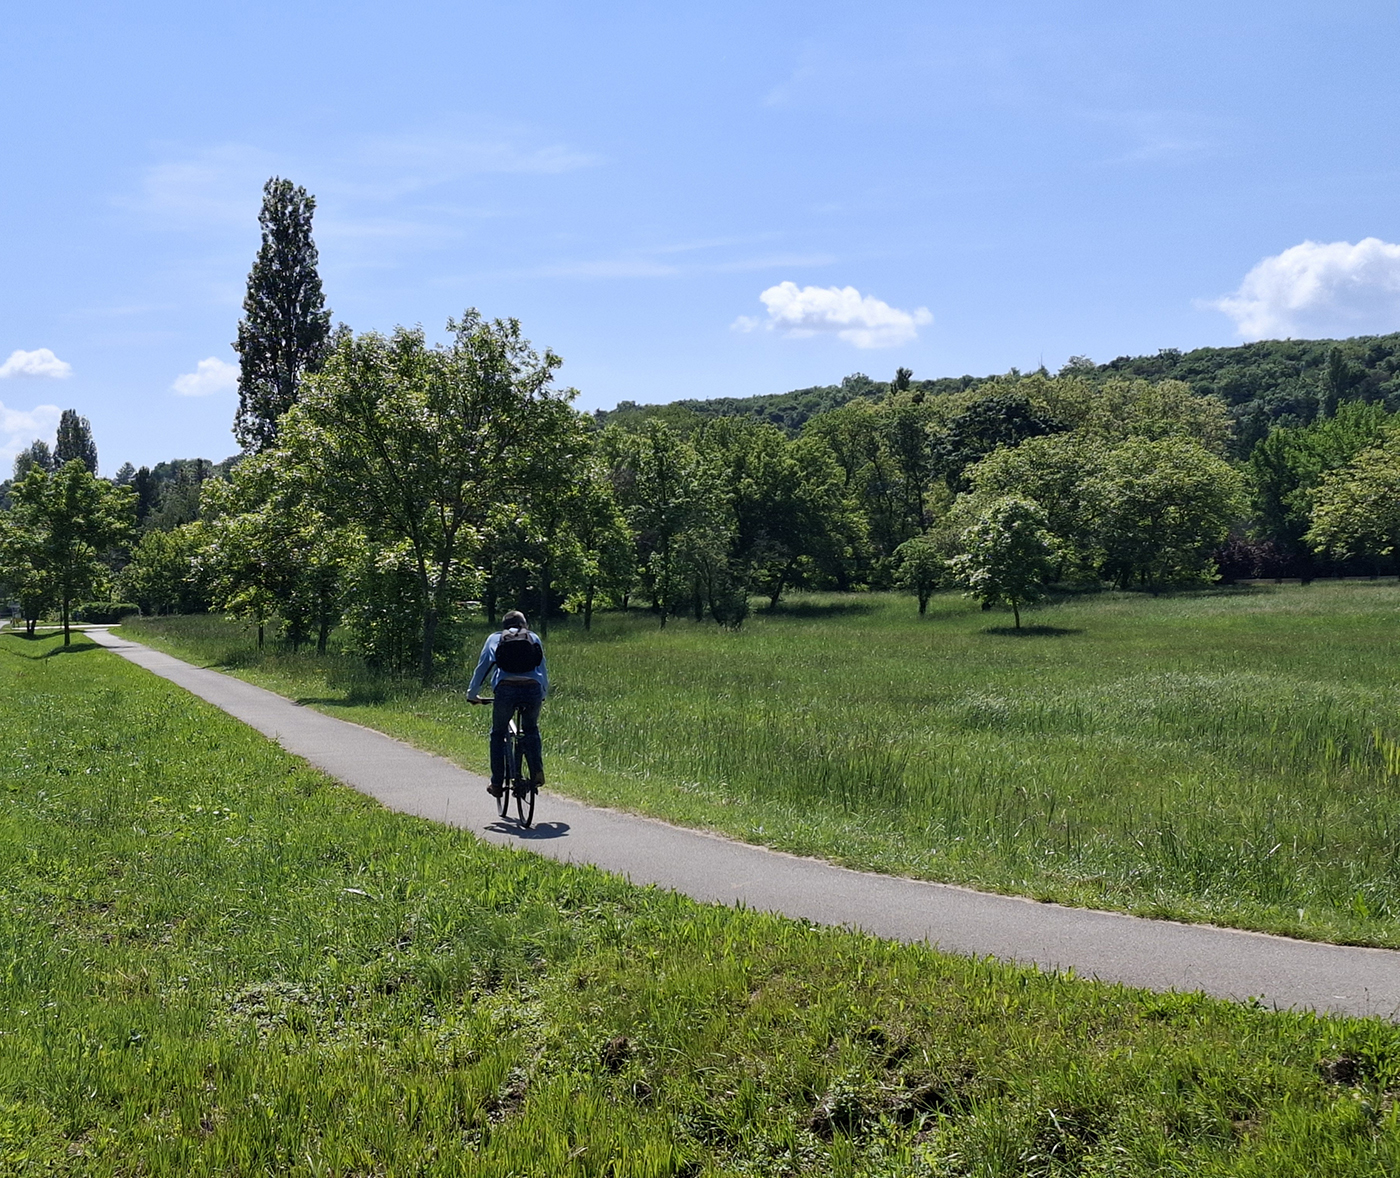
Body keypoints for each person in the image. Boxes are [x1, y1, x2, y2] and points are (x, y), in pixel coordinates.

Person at [466, 609, 548, 798]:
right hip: (533, 688)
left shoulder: (495, 638)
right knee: (531, 728)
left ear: (504, 626)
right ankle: (536, 769)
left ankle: (496, 783)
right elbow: (542, 669)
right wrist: (542, 694)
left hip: (506, 689)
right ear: (524, 625)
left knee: (498, 733)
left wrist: (472, 694)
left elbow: (482, 668)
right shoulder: (533, 637)